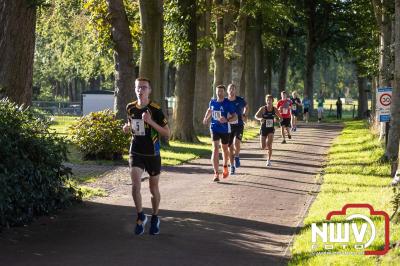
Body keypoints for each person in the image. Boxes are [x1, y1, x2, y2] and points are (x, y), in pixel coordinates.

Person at [122, 77, 170, 236]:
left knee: (153, 188)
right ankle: (140, 216)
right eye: (138, 87)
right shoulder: (130, 107)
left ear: (149, 90)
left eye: (144, 87)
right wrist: (127, 128)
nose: (140, 90)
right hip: (136, 151)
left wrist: (150, 121)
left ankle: (155, 217)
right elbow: (131, 123)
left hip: (152, 153)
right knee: (135, 185)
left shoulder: (155, 109)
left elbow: (167, 133)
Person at [203, 85, 237, 182]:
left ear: (224, 92)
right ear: (216, 92)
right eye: (218, 91)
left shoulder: (228, 103)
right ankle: (216, 173)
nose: (219, 93)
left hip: (225, 130)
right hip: (214, 128)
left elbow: (235, 117)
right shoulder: (212, 101)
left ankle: (225, 165)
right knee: (215, 149)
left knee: (225, 149)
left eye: (221, 91)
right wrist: (206, 118)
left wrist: (226, 119)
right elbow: (209, 110)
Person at [255, 95, 282, 167]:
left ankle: (268, 160)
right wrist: (260, 119)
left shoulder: (275, 109)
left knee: (269, 145)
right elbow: (256, 116)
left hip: (271, 129)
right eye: (267, 100)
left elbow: (281, 118)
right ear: (266, 101)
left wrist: (277, 120)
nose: (269, 101)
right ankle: (265, 144)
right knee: (263, 146)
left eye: (270, 100)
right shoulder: (263, 108)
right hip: (263, 128)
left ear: (272, 101)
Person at [227, 84, 248, 174]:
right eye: (230, 89)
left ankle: (237, 156)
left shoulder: (240, 100)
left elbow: (247, 107)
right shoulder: (225, 101)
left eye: (233, 89)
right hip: (228, 126)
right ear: (227, 91)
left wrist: (244, 114)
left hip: (239, 125)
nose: (231, 91)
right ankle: (232, 166)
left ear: (235, 91)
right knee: (230, 147)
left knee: (237, 143)